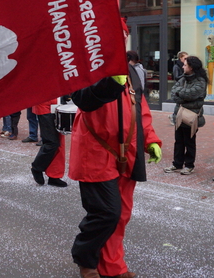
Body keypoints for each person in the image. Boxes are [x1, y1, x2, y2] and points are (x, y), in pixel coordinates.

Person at [69, 20, 162, 278]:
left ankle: (113, 266)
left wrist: (150, 139)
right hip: (96, 151)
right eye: (113, 34)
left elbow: (140, 108)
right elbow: (84, 100)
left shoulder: (132, 71)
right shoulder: (84, 66)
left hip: (127, 151)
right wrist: (109, 83)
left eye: (122, 35)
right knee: (106, 213)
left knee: (121, 214)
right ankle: (86, 260)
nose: (119, 39)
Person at [164, 55, 207, 175]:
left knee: (189, 141)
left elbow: (191, 94)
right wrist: (181, 96)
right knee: (178, 140)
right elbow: (173, 93)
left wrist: (180, 95)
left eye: (185, 65)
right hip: (179, 115)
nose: (183, 66)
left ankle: (189, 165)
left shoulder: (200, 81)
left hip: (191, 116)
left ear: (191, 67)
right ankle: (177, 163)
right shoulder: (182, 78)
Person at [30, 99, 67, 187]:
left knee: (59, 144)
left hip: (56, 104)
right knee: (52, 142)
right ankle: (37, 167)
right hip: (45, 106)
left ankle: (54, 175)